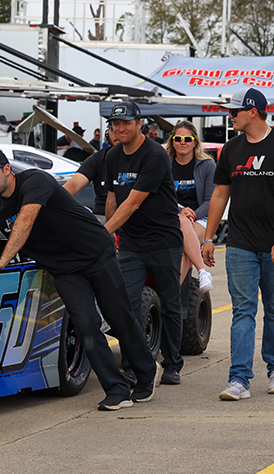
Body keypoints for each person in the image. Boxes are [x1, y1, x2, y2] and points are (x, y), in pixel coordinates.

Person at [0, 148, 159, 411]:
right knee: (86, 326)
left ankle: (147, 373)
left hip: (95, 254)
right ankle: (117, 389)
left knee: (119, 317)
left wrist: (4, 258)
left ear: (6, 169)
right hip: (64, 270)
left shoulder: (35, 181)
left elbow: (27, 217)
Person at [202, 87, 274, 401]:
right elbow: (220, 194)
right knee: (242, 311)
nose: (229, 116)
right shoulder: (231, 149)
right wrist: (208, 237)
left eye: (234, 111)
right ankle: (239, 379)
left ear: (253, 112)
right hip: (240, 243)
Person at [103, 101, 185, 386]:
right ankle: (132, 365)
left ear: (140, 124)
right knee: (126, 303)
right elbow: (113, 199)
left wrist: (106, 231)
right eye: (115, 124)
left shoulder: (154, 155)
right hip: (131, 244)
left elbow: (134, 202)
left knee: (170, 303)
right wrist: (112, 236)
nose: (120, 129)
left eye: (126, 123)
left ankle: (172, 363)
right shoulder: (113, 156)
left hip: (164, 241)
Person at [164, 120, 216, 292]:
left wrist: (190, 215)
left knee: (183, 242)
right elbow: (162, 196)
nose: (182, 143)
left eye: (187, 139)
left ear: (195, 142)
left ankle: (172, 293)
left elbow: (211, 201)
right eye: (178, 139)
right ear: (172, 141)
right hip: (171, 215)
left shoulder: (207, 165)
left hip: (200, 217)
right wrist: (180, 211)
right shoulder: (165, 165)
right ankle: (202, 272)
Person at [63, 124, 120, 215]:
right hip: (102, 216)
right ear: (108, 131)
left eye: (125, 126)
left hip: (133, 218)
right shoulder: (98, 158)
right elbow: (74, 184)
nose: (119, 132)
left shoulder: (144, 157)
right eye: (113, 129)